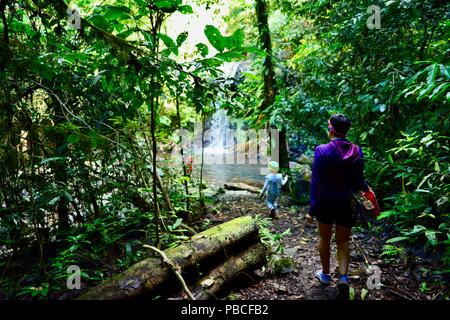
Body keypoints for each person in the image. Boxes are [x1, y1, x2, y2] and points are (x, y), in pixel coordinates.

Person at [307, 114, 368, 298]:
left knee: (324, 239)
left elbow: (316, 182)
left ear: (331, 129)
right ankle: (343, 277)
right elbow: (359, 180)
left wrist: (311, 210)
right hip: (345, 202)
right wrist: (367, 191)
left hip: (325, 201)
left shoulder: (322, 150)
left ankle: (325, 275)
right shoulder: (357, 151)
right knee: (342, 241)